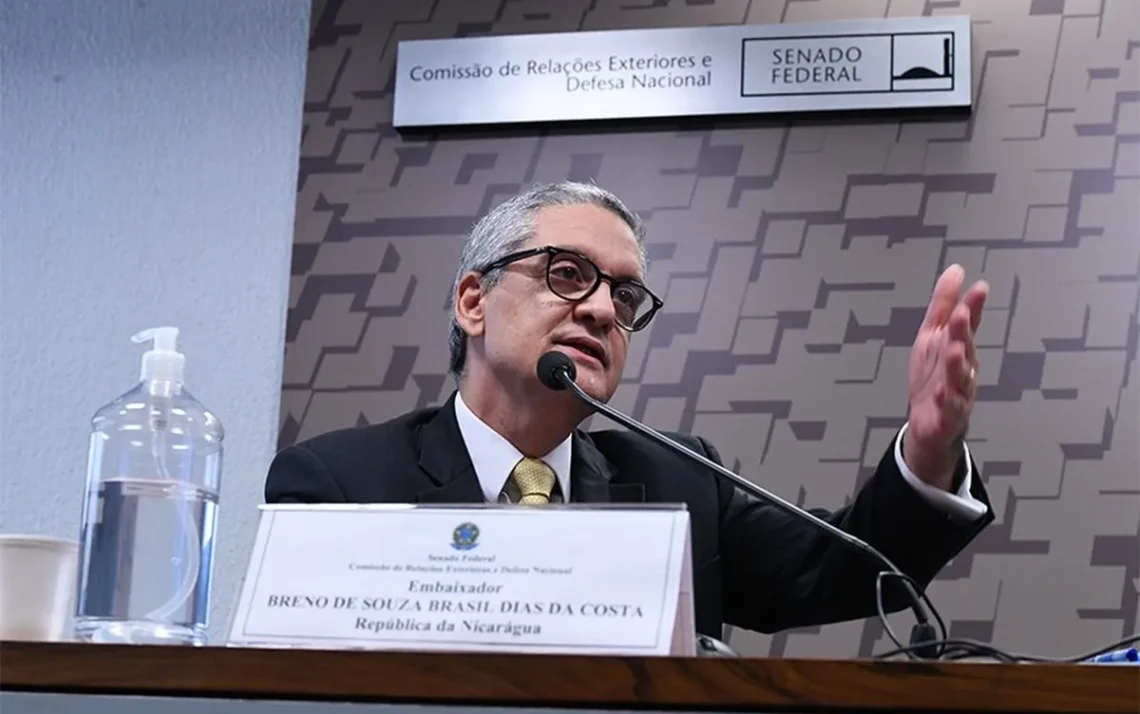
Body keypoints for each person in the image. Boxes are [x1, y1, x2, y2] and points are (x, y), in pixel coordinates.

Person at [266, 181, 996, 639]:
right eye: (567, 274)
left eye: (623, 296)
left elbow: (848, 571)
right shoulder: (338, 484)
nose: (600, 310)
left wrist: (930, 451)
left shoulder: (679, 483)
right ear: (473, 301)